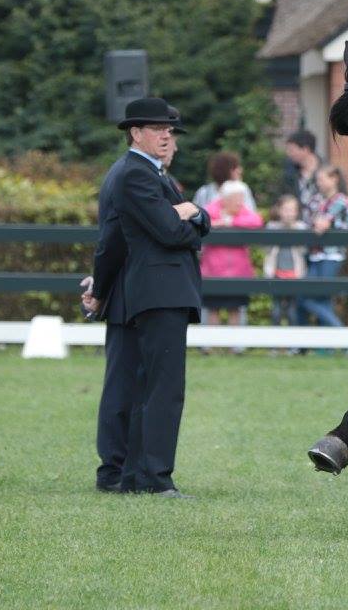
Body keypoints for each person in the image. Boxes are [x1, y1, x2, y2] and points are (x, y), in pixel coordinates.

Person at [83, 97, 209, 498]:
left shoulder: (146, 175)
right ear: (135, 133)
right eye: (158, 129)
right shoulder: (135, 175)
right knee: (161, 388)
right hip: (157, 290)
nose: (167, 136)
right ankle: (152, 477)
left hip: (145, 288)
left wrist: (192, 215)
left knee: (140, 385)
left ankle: (132, 473)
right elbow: (171, 233)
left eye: (169, 130)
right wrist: (191, 220)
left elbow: (181, 221)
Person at [200, 179, 263, 345]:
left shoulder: (242, 212)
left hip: (239, 271)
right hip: (213, 270)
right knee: (212, 309)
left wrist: (231, 222)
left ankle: (235, 346)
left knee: (236, 308)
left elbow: (256, 221)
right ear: (226, 199)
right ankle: (210, 345)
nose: (241, 202)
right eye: (238, 198)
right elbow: (201, 221)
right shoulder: (212, 208)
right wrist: (218, 223)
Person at [294, 165, 348, 330]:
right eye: (318, 179)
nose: (319, 182)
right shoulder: (315, 200)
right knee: (306, 297)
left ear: (334, 179)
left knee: (318, 296)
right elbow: (309, 221)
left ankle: (339, 337)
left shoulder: (343, 201)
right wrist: (319, 223)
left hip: (333, 255)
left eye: (322, 179)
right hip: (314, 255)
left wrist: (330, 224)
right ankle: (328, 342)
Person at [263, 194, 308, 328]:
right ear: (279, 211)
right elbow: (266, 248)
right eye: (285, 210)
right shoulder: (272, 227)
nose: (289, 213)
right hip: (276, 272)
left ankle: (292, 345)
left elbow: (304, 250)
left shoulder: (301, 227)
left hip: (294, 272)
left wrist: (293, 229)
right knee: (276, 309)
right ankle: (275, 344)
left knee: (292, 310)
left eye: (292, 210)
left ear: (296, 212)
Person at [193, 150, 257, 213]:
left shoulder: (243, 189)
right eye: (235, 168)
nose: (240, 171)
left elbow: (251, 215)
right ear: (225, 170)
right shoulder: (204, 192)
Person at [282, 130, 325, 218]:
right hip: (298, 226)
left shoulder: (328, 172)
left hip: (323, 226)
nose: (289, 154)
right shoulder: (289, 173)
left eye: (291, 150)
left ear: (305, 149)